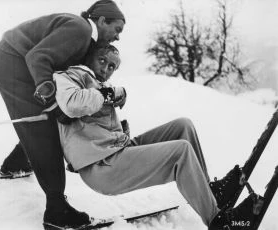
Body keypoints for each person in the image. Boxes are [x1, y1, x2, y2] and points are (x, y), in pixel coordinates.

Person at [54, 44, 261, 230]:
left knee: (183, 125)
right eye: (102, 61)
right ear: (89, 57)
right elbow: (72, 103)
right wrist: (112, 94)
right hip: (100, 167)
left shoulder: (96, 83)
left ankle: (209, 193)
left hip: (114, 151)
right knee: (181, 152)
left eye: (112, 67)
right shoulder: (71, 76)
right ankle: (219, 223)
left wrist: (118, 124)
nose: (106, 68)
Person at [0, 0, 125, 228]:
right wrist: (50, 100)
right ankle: (56, 211)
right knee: (45, 130)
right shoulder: (80, 29)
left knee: (44, 122)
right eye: (117, 29)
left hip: (12, 63)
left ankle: (16, 163)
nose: (118, 36)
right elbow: (37, 58)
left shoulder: (84, 36)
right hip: (12, 66)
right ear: (102, 20)